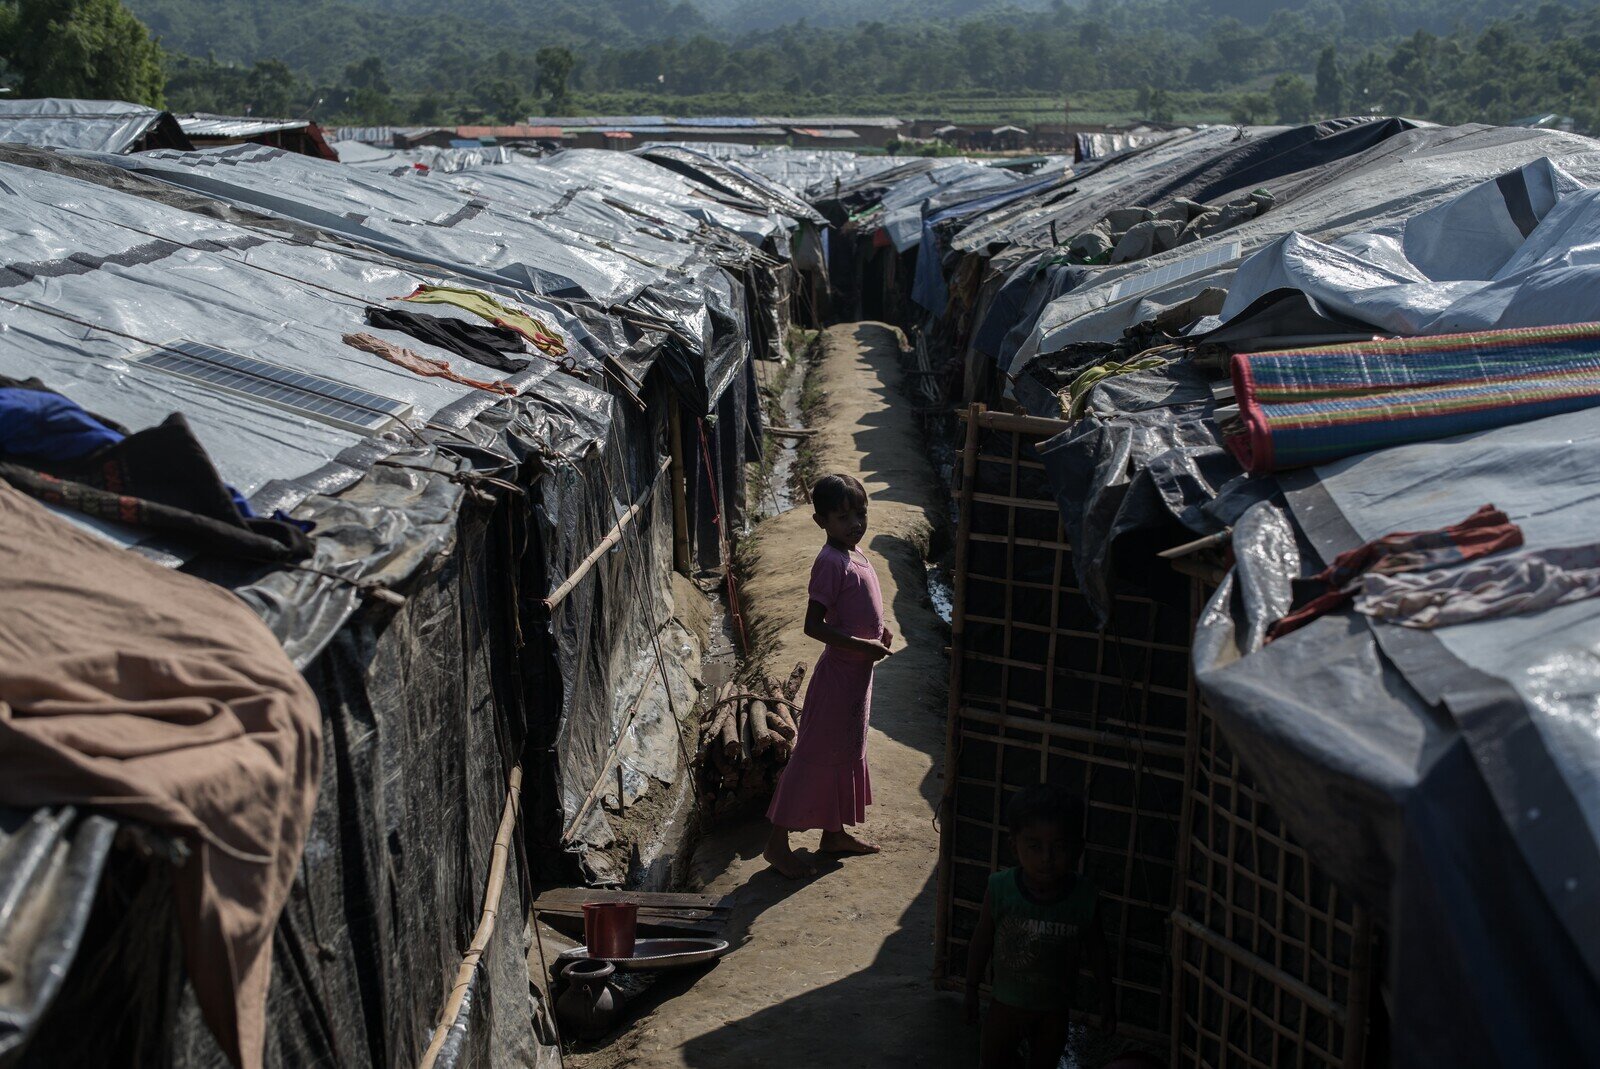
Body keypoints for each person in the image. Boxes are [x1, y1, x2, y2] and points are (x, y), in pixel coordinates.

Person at [763, 473, 893, 879]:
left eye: (860, 513)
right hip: (838, 679)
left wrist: (878, 635)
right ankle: (776, 843)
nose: (855, 523)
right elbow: (813, 626)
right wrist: (861, 645)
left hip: (858, 679)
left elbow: (860, 609)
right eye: (842, 517)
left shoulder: (857, 555)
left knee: (845, 752)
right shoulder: (830, 562)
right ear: (821, 522)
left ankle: (833, 834)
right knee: (814, 756)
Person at [965, 783, 1116, 1068]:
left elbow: (1098, 951)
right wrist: (971, 989)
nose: (1046, 858)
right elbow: (981, 940)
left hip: (1054, 1012)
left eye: (1059, 847)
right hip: (1004, 1007)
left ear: (1078, 850)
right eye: (1034, 846)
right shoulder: (1000, 889)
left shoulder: (1083, 897)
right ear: (1015, 846)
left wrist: (1107, 1000)